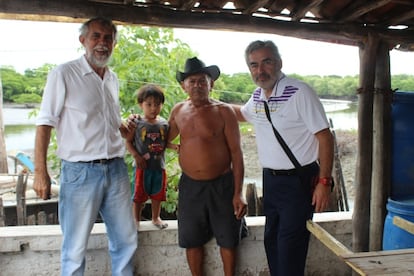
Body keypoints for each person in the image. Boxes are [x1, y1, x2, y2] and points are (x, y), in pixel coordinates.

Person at [33, 17, 137, 275]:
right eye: (96, 37)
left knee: (126, 240)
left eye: (108, 38)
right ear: (83, 40)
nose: (102, 43)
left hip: (116, 169)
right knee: (75, 248)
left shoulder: (112, 79)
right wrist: (40, 172)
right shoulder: (64, 74)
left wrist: (125, 128)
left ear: (114, 43)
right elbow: (45, 123)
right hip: (79, 173)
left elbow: (109, 123)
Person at [232, 40, 334, 276]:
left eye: (266, 62)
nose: (260, 70)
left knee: (290, 247)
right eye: (254, 65)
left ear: (278, 63)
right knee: (272, 242)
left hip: (298, 181)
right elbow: (240, 114)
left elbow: (325, 138)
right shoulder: (258, 96)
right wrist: (207, 104)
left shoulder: (299, 91)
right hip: (271, 181)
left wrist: (324, 182)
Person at [167, 57, 247, 276]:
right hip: (190, 186)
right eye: (191, 81)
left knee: (228, 239)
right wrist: (140, 127)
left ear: (211, 84)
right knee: (192, 239)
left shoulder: (224, 112)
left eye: (202, 81)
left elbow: (236, 153)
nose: (197, 85)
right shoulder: (178, 110)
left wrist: (238, 193)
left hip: (223, 185)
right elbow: (161, 137)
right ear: (183, 85)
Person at [125, 84, 171, 230]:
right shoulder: (136, 123)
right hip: (141, 168)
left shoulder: (164, 124)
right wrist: (136, 156)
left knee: (158, 194)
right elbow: (128, 141)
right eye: (149, 104)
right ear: (140, 104)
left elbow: (165, 143)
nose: (153, 108)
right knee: (138, 195)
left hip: (159, 166)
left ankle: (156, 218)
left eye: (157, 104)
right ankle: (135, 220)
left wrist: (175, 147)